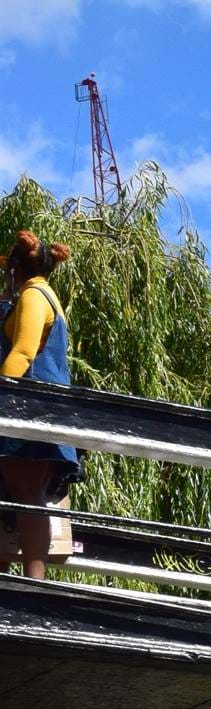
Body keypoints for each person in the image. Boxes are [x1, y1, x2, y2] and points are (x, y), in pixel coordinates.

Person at [0, 231, 79, 581]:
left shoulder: (33, 295)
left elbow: (23, 351)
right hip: (43, 405)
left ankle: (33, 582)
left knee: (27, 492)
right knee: (21, 492)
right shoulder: (48, 295)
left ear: (16, 268)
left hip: (28, 405)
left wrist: (2, 393)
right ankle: (26, 580)